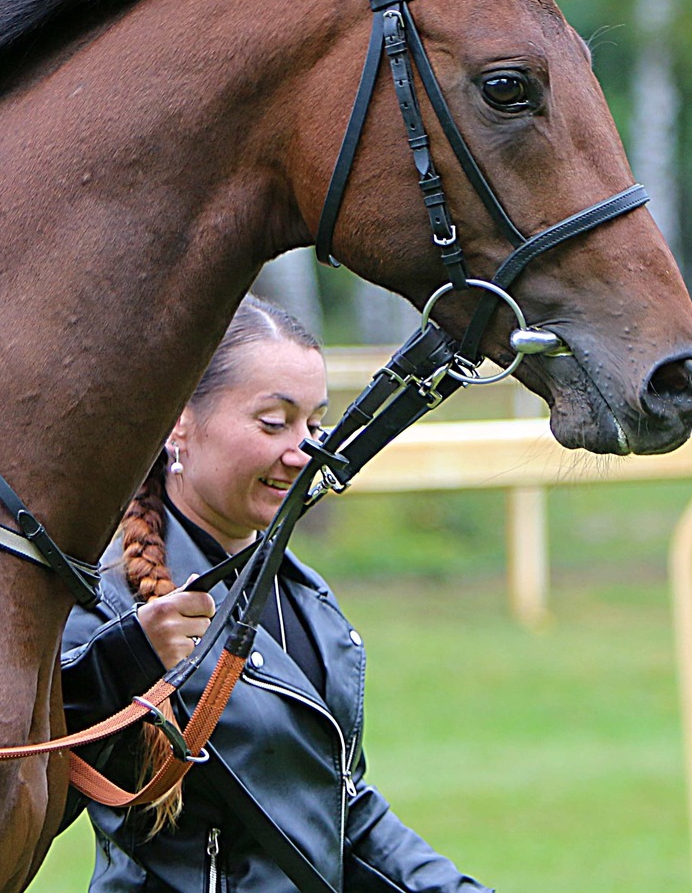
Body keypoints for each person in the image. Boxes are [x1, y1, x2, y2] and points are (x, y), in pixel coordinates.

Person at [61, 295, 493, 893]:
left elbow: (343, 814)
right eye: (274, 422)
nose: (303, 451)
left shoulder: (307, 599)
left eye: (315, 423)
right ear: (179, 419)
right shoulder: (109, 603)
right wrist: (124, 663)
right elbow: (28, 788)